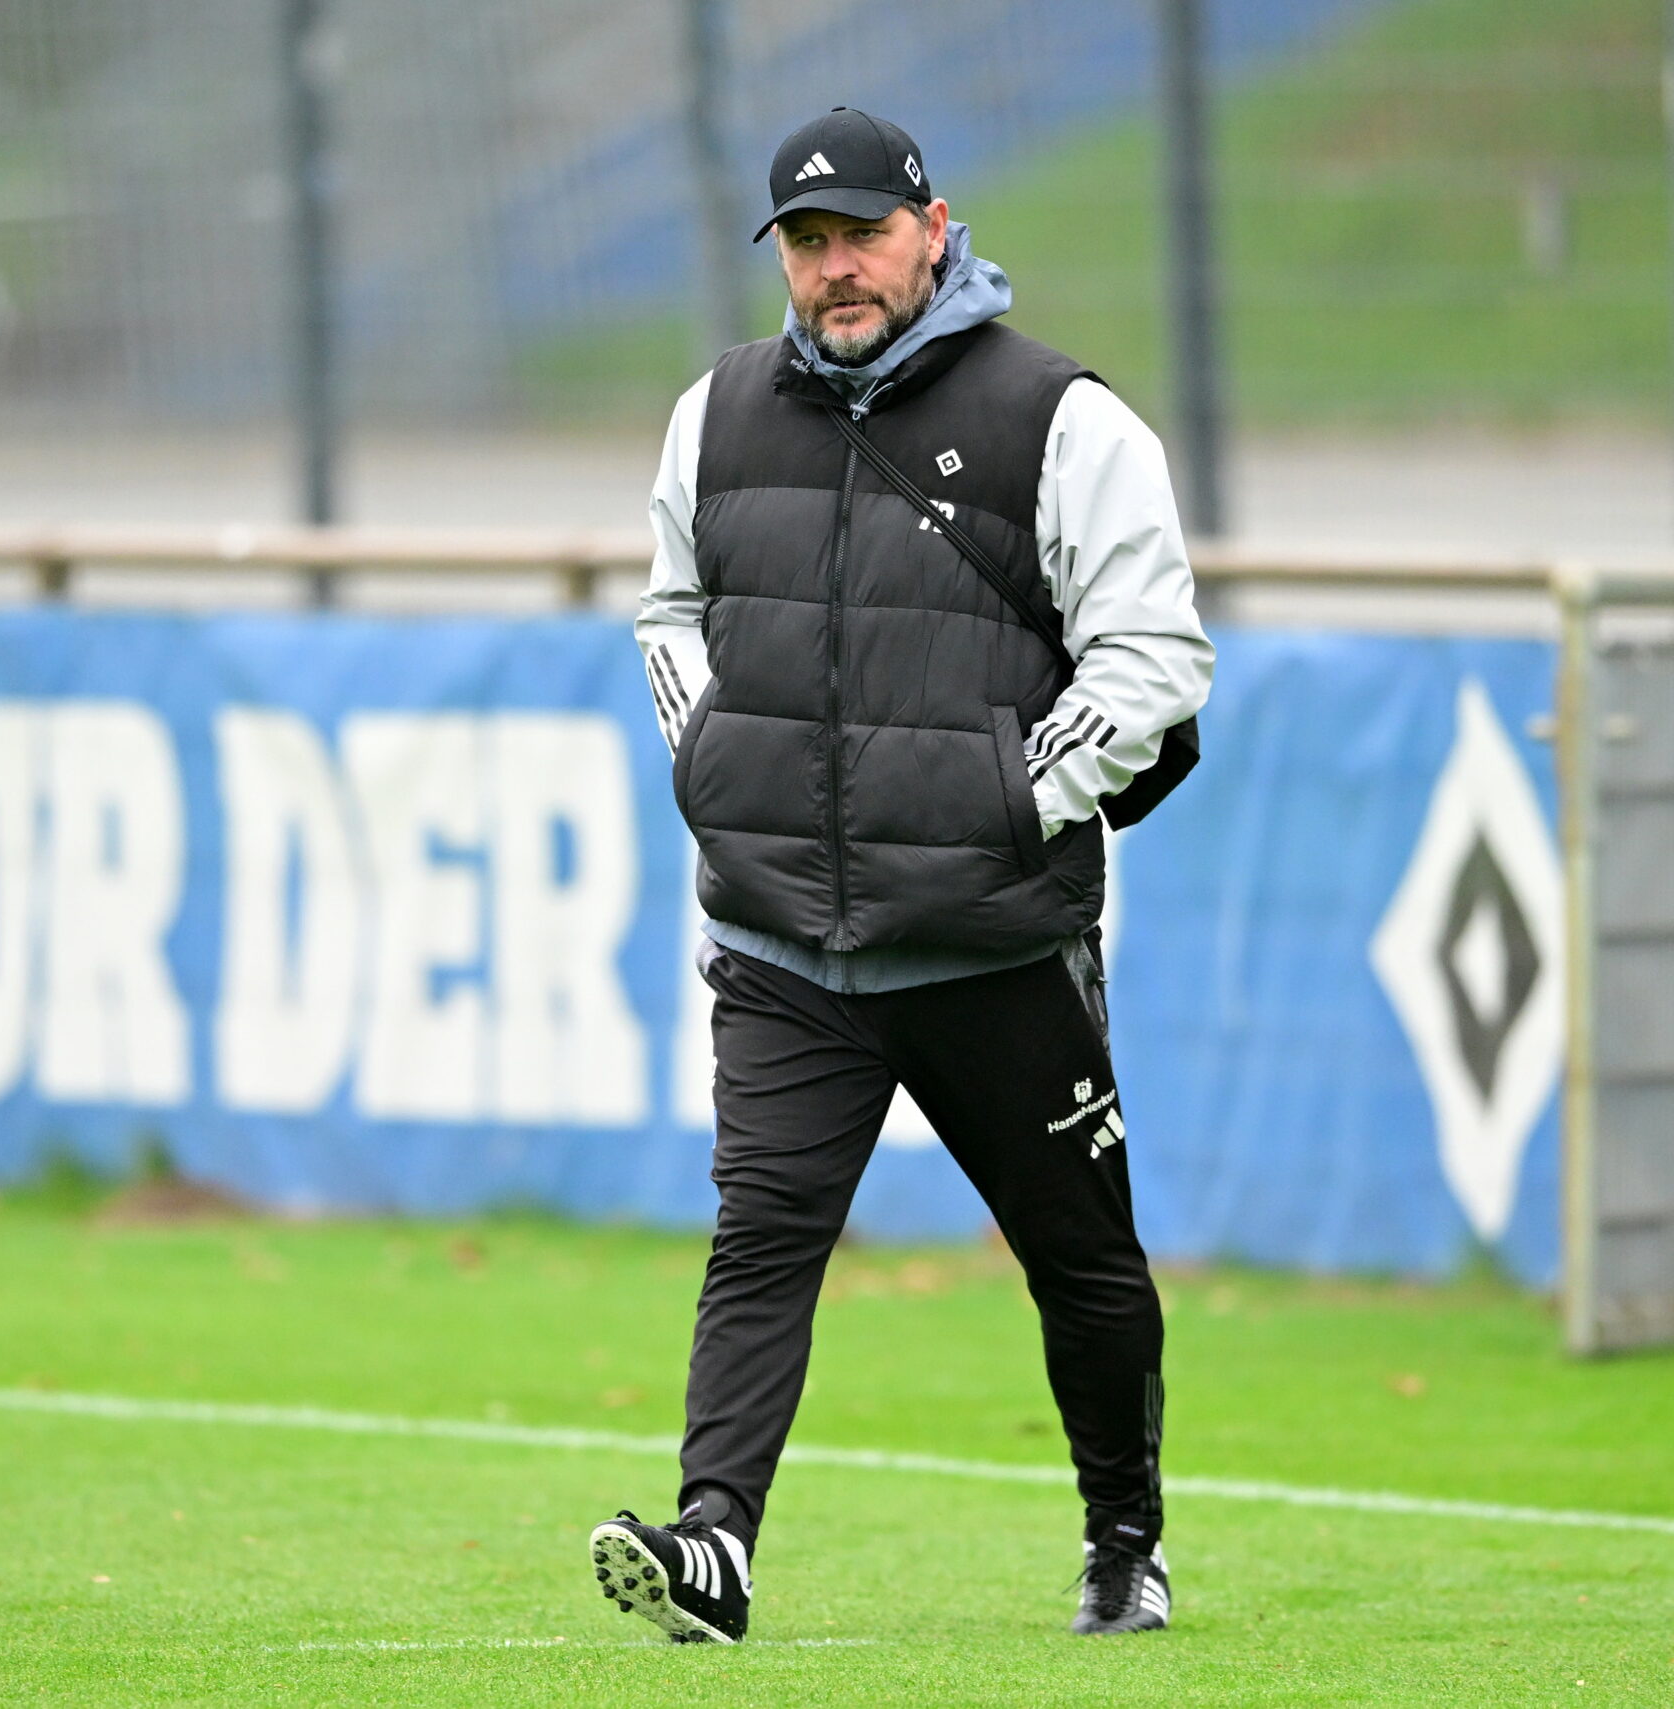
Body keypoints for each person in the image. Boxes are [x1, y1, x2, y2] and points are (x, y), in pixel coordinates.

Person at [587, 107, 1214, 1644]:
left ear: (937, 228)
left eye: (861, 233)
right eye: (805, 242)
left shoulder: (1064, 421)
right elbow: (669, 611)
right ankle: (714, 1544)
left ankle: (1123, 1535)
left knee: (1084, 1264)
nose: (833, 268)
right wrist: (709, 754)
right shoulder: (716, 413)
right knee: (762, 1239)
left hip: (993, 939)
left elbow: (1155, 661)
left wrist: (1013, 794)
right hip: (784, 936)